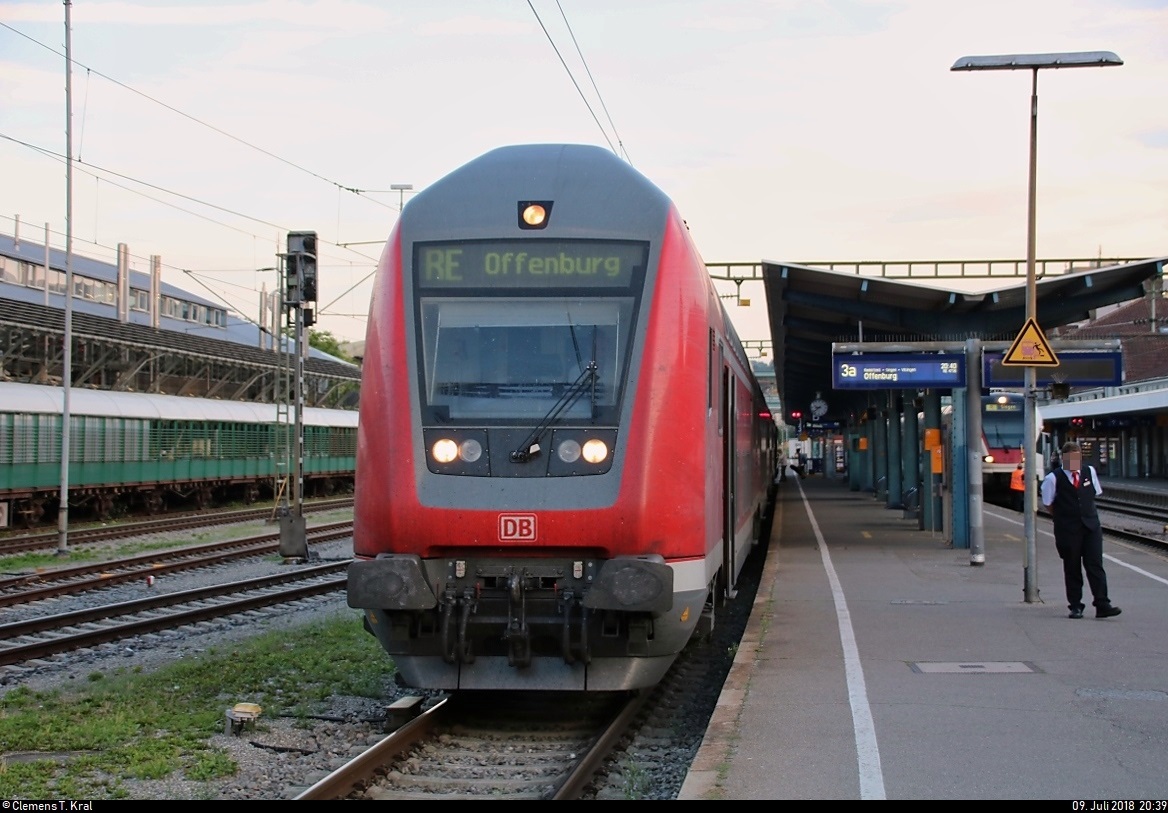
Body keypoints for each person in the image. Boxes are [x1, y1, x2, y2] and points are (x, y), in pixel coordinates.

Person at [1040, 441, 1121, 620]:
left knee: (1095, 565)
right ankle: (1075, 606)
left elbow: (1093, 495)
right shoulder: (1053, 478)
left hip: (1091, 526)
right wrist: (1064, 518)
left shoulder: (1089, 472)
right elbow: (1048, 504)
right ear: (1064, 458)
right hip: (1068, 530)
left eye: (1077, 458)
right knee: (1072, 567)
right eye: (1071, 458)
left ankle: (1102, 604)